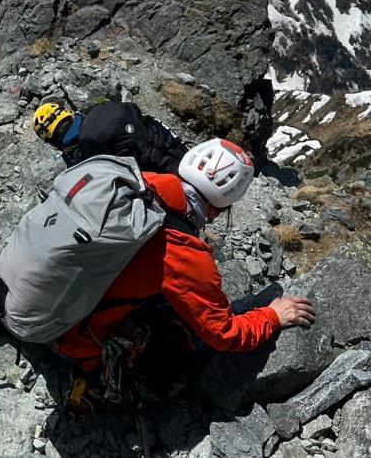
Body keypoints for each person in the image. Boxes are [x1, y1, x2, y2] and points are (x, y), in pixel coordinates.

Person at [53, 138, 315, 375]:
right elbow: (224, 335)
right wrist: (273, 316)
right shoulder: (184, 253)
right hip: (69, 339)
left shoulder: (138, 182)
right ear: (220, 208)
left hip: (37, 295)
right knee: (177, 359)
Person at [33, 99, 188, 174]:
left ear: (52, 143)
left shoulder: (79, 159)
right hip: (181, 153)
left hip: (166, 181)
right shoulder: (101, 109)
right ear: (68, 114)